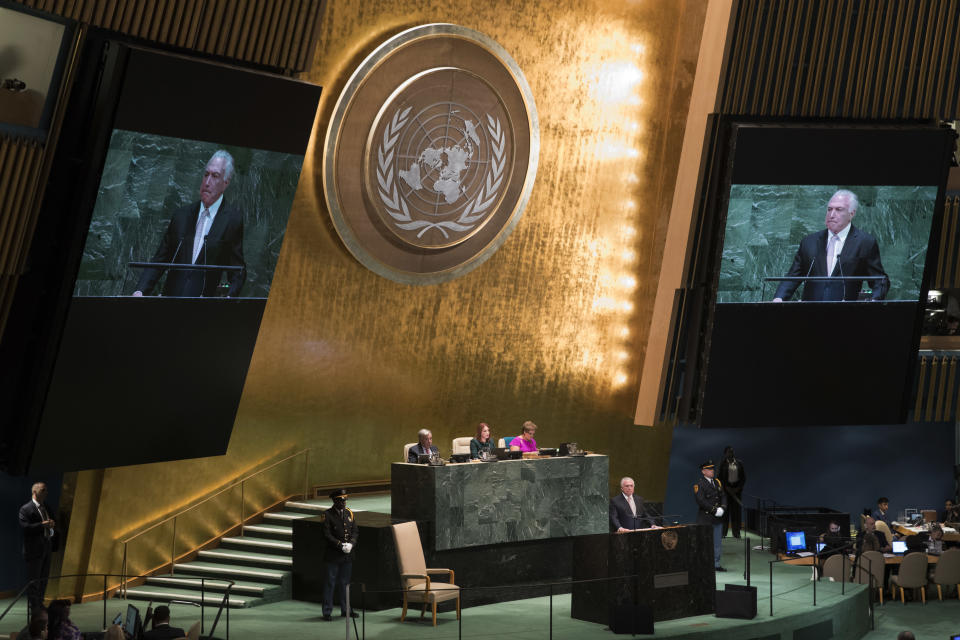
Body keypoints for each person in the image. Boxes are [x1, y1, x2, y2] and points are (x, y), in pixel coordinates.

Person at [133, 150, 245, 297]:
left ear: (226, 182)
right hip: (169, 303)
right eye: (206, 174)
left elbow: (237, 271)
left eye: (215, 176)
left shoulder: (232, 220)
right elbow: (159, 259)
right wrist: (140, 290)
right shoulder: (182, 215)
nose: (207, 182)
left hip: (202, 310)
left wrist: (228, 298)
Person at [773, 190, 888, 302]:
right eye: (829, 209)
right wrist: (779, 298)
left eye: (839, 210)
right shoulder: (809, 242)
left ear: (851, 213)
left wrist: (874, 300)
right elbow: (792, 277)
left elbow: (880, 280)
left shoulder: (865, 242)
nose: (831, 215)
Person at [19, 482, 56, 616]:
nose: (46, 492)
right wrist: (43, 525)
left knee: (44, 579)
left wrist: (51, 525)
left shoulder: (47, 507)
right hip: (33, 550)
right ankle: (34, 607)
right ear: (35, 492)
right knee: (34, 580)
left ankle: (40, 604)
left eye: (46, 490)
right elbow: (26, 528)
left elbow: (51, 523)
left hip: (47, 547)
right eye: (43, 490)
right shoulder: (25, 509)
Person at [322, 488, 359, 621]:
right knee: (330, 583)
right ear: (335, 501)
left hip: (347, 555)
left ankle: (346, 610)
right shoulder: (327, 515)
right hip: (333, 555)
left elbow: (355, 531)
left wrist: (351, 544)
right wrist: (340, 545)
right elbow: (326, 535)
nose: (344, 503)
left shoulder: (349, 513)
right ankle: (327, 611)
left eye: (345, 500)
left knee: (345, 583)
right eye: (341, 501)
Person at [694, 460, 727, 571]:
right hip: (705, 518)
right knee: (704, 543)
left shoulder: (717, 482)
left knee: (717, 543)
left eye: (712, 469)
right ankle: (703, 564)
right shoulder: (699, 484)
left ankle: (716, 564)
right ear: (703, 471)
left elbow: (723, 496)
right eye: (709, 469)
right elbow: (701, 501)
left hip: (717, 518)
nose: (712, 471)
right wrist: (714, 510)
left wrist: (723, 507)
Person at [717, 446, 746, 538]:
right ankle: (723, 533)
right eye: (729, 452)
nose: (731, 453)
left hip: (736, 491)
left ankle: (736, 533)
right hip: (726, 491)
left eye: (732, 452)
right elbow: (719, 478)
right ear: (725, 453)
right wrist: (725, 488)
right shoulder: (722, 464)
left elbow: (743, 478)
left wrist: (738, 488)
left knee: (736, 513)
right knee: (725, 513)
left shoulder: (739, 463)